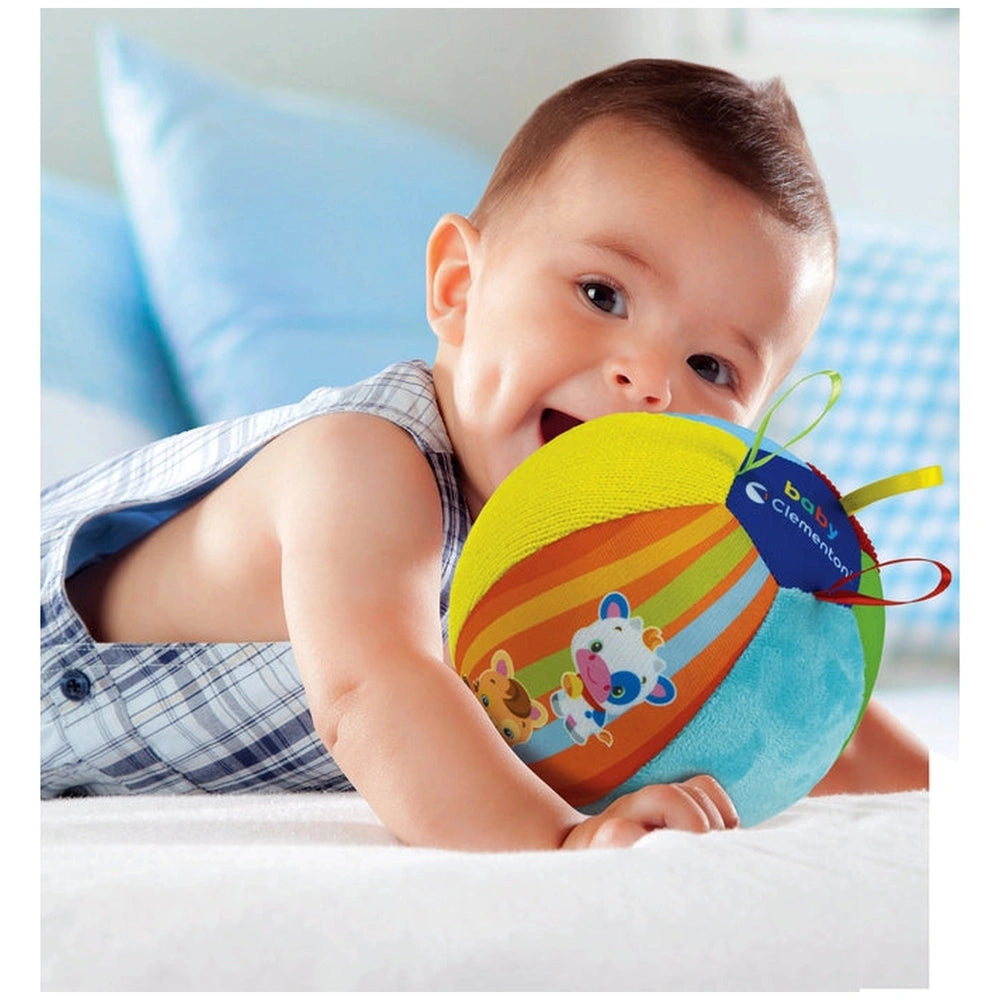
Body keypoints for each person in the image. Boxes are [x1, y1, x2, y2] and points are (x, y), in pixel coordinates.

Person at [41, 58, 927, 850]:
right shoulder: (364, 464)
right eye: (601, 293)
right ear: (459, 289)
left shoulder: (625, 556)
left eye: (711, 365)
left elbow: (817, 719)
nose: (650, 379)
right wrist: (566, 849)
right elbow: (374, 692)